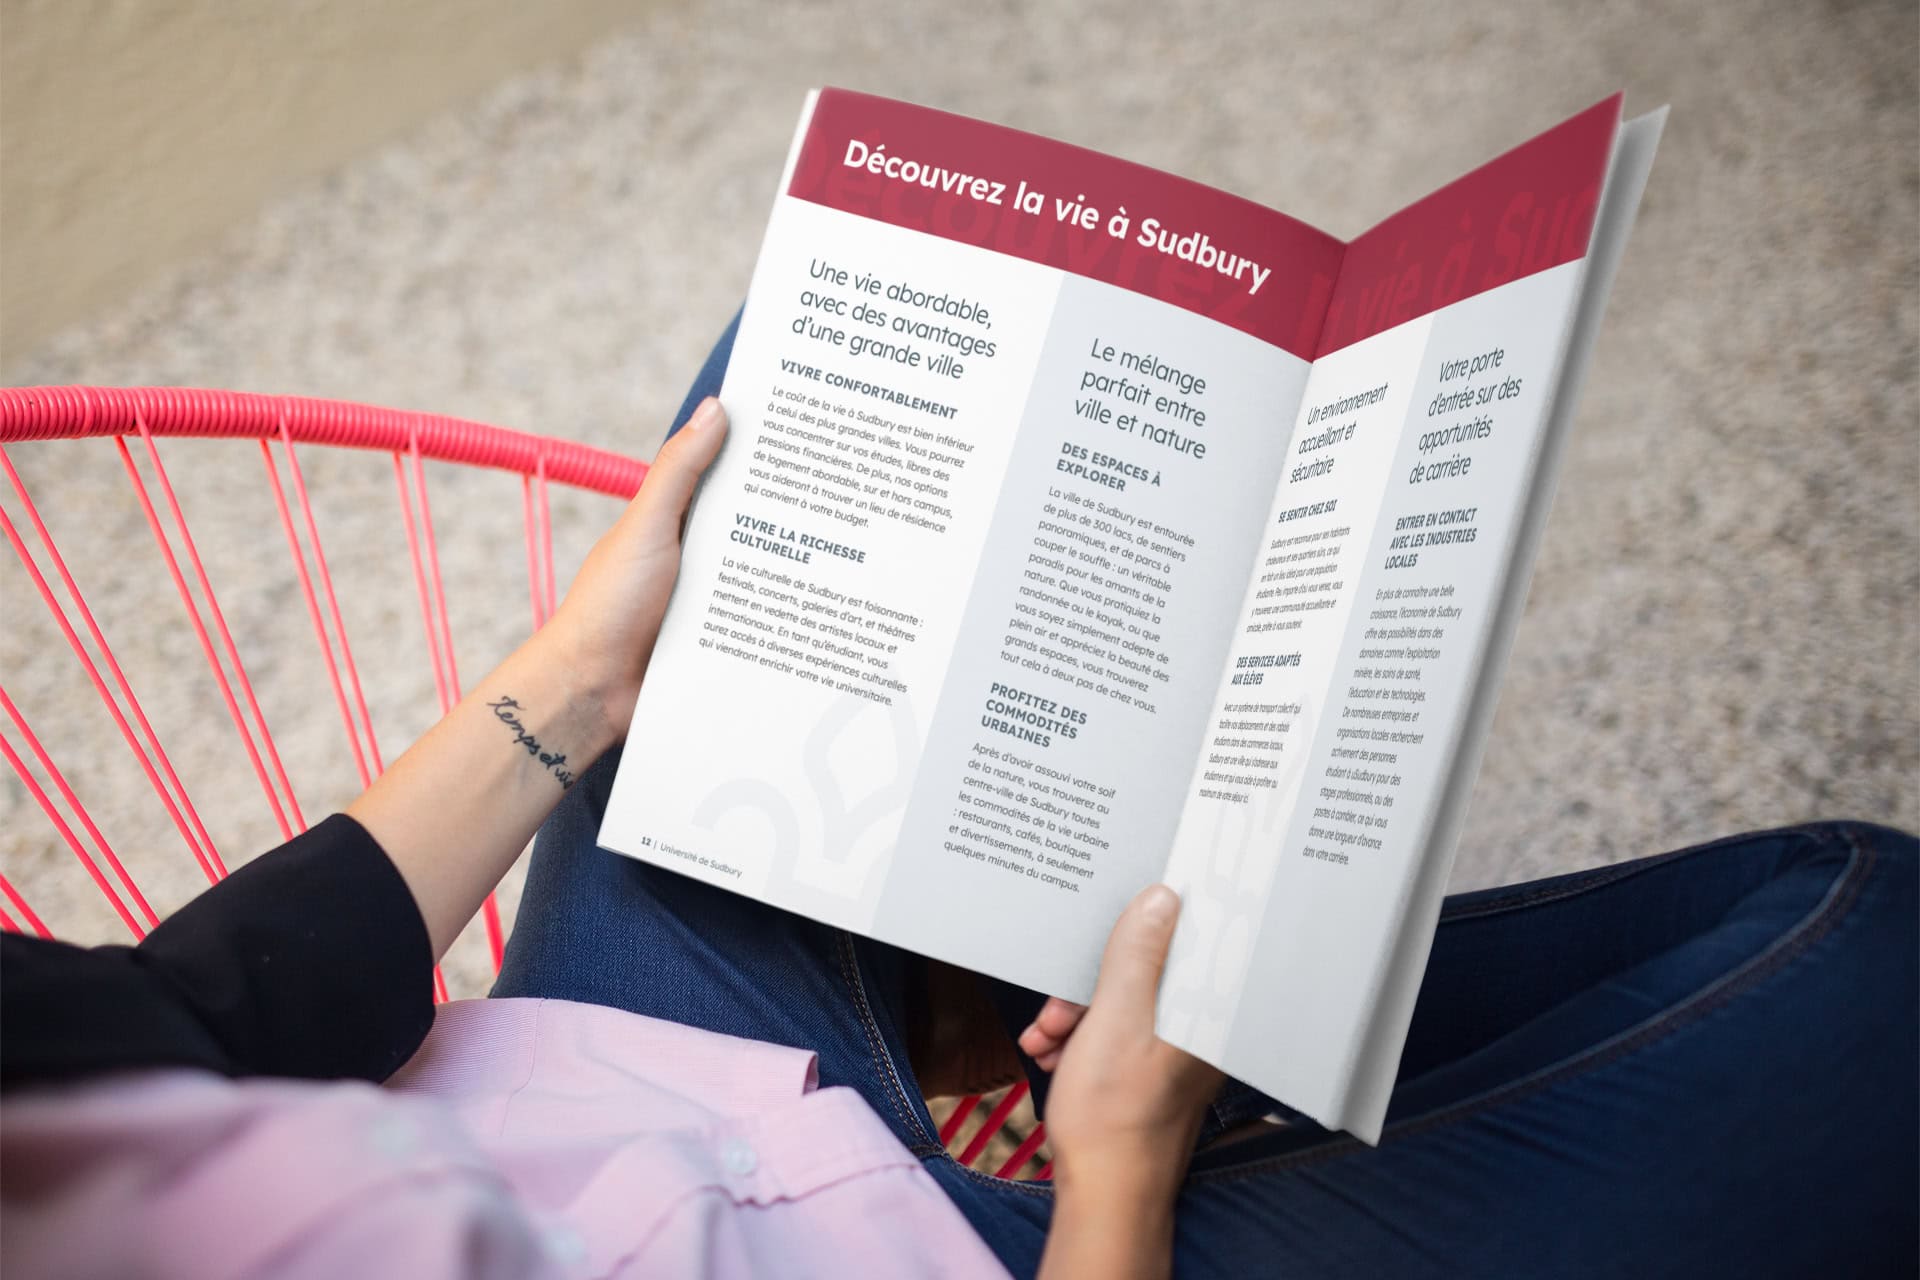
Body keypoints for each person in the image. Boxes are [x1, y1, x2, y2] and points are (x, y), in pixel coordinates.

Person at [2, 322, 1915, 1279]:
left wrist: (583, 675)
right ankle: (1119, 1037)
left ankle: (992, 984)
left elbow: (208, 1017)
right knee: (1869, 936)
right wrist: (1118, 1175)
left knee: (820, 370)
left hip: (594, 1067)